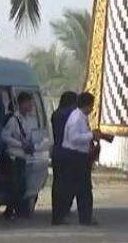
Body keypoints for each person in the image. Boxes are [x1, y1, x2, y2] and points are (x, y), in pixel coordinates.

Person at [61, 92, 100, 226]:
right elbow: (74, 138)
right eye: (91, 106)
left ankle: (85, 217)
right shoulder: (76, 118)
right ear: (87, 105)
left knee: (83, 189)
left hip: (81, 156)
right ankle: (71, 215)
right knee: (80, 189)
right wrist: (91, 136)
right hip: (75, 156)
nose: (92, 109)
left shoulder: (81, 117)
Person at [1, 92, 36, 219]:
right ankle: (10, 211)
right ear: (21, 104)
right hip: (13, 157)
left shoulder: (30, 121)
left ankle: (19, 211)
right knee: (14, 186)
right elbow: (4, 137)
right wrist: (20, 144)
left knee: (22, 186)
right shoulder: (14, 120)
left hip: (23, 157)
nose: (30, 106)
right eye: (28, 103)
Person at [51, 91, 77, 225]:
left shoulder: (56, 114)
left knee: (57, 184)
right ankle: (63, 211)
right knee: (69, 185)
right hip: (69, 153)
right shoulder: (72, 114)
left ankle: (57, 214)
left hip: (57, 152)